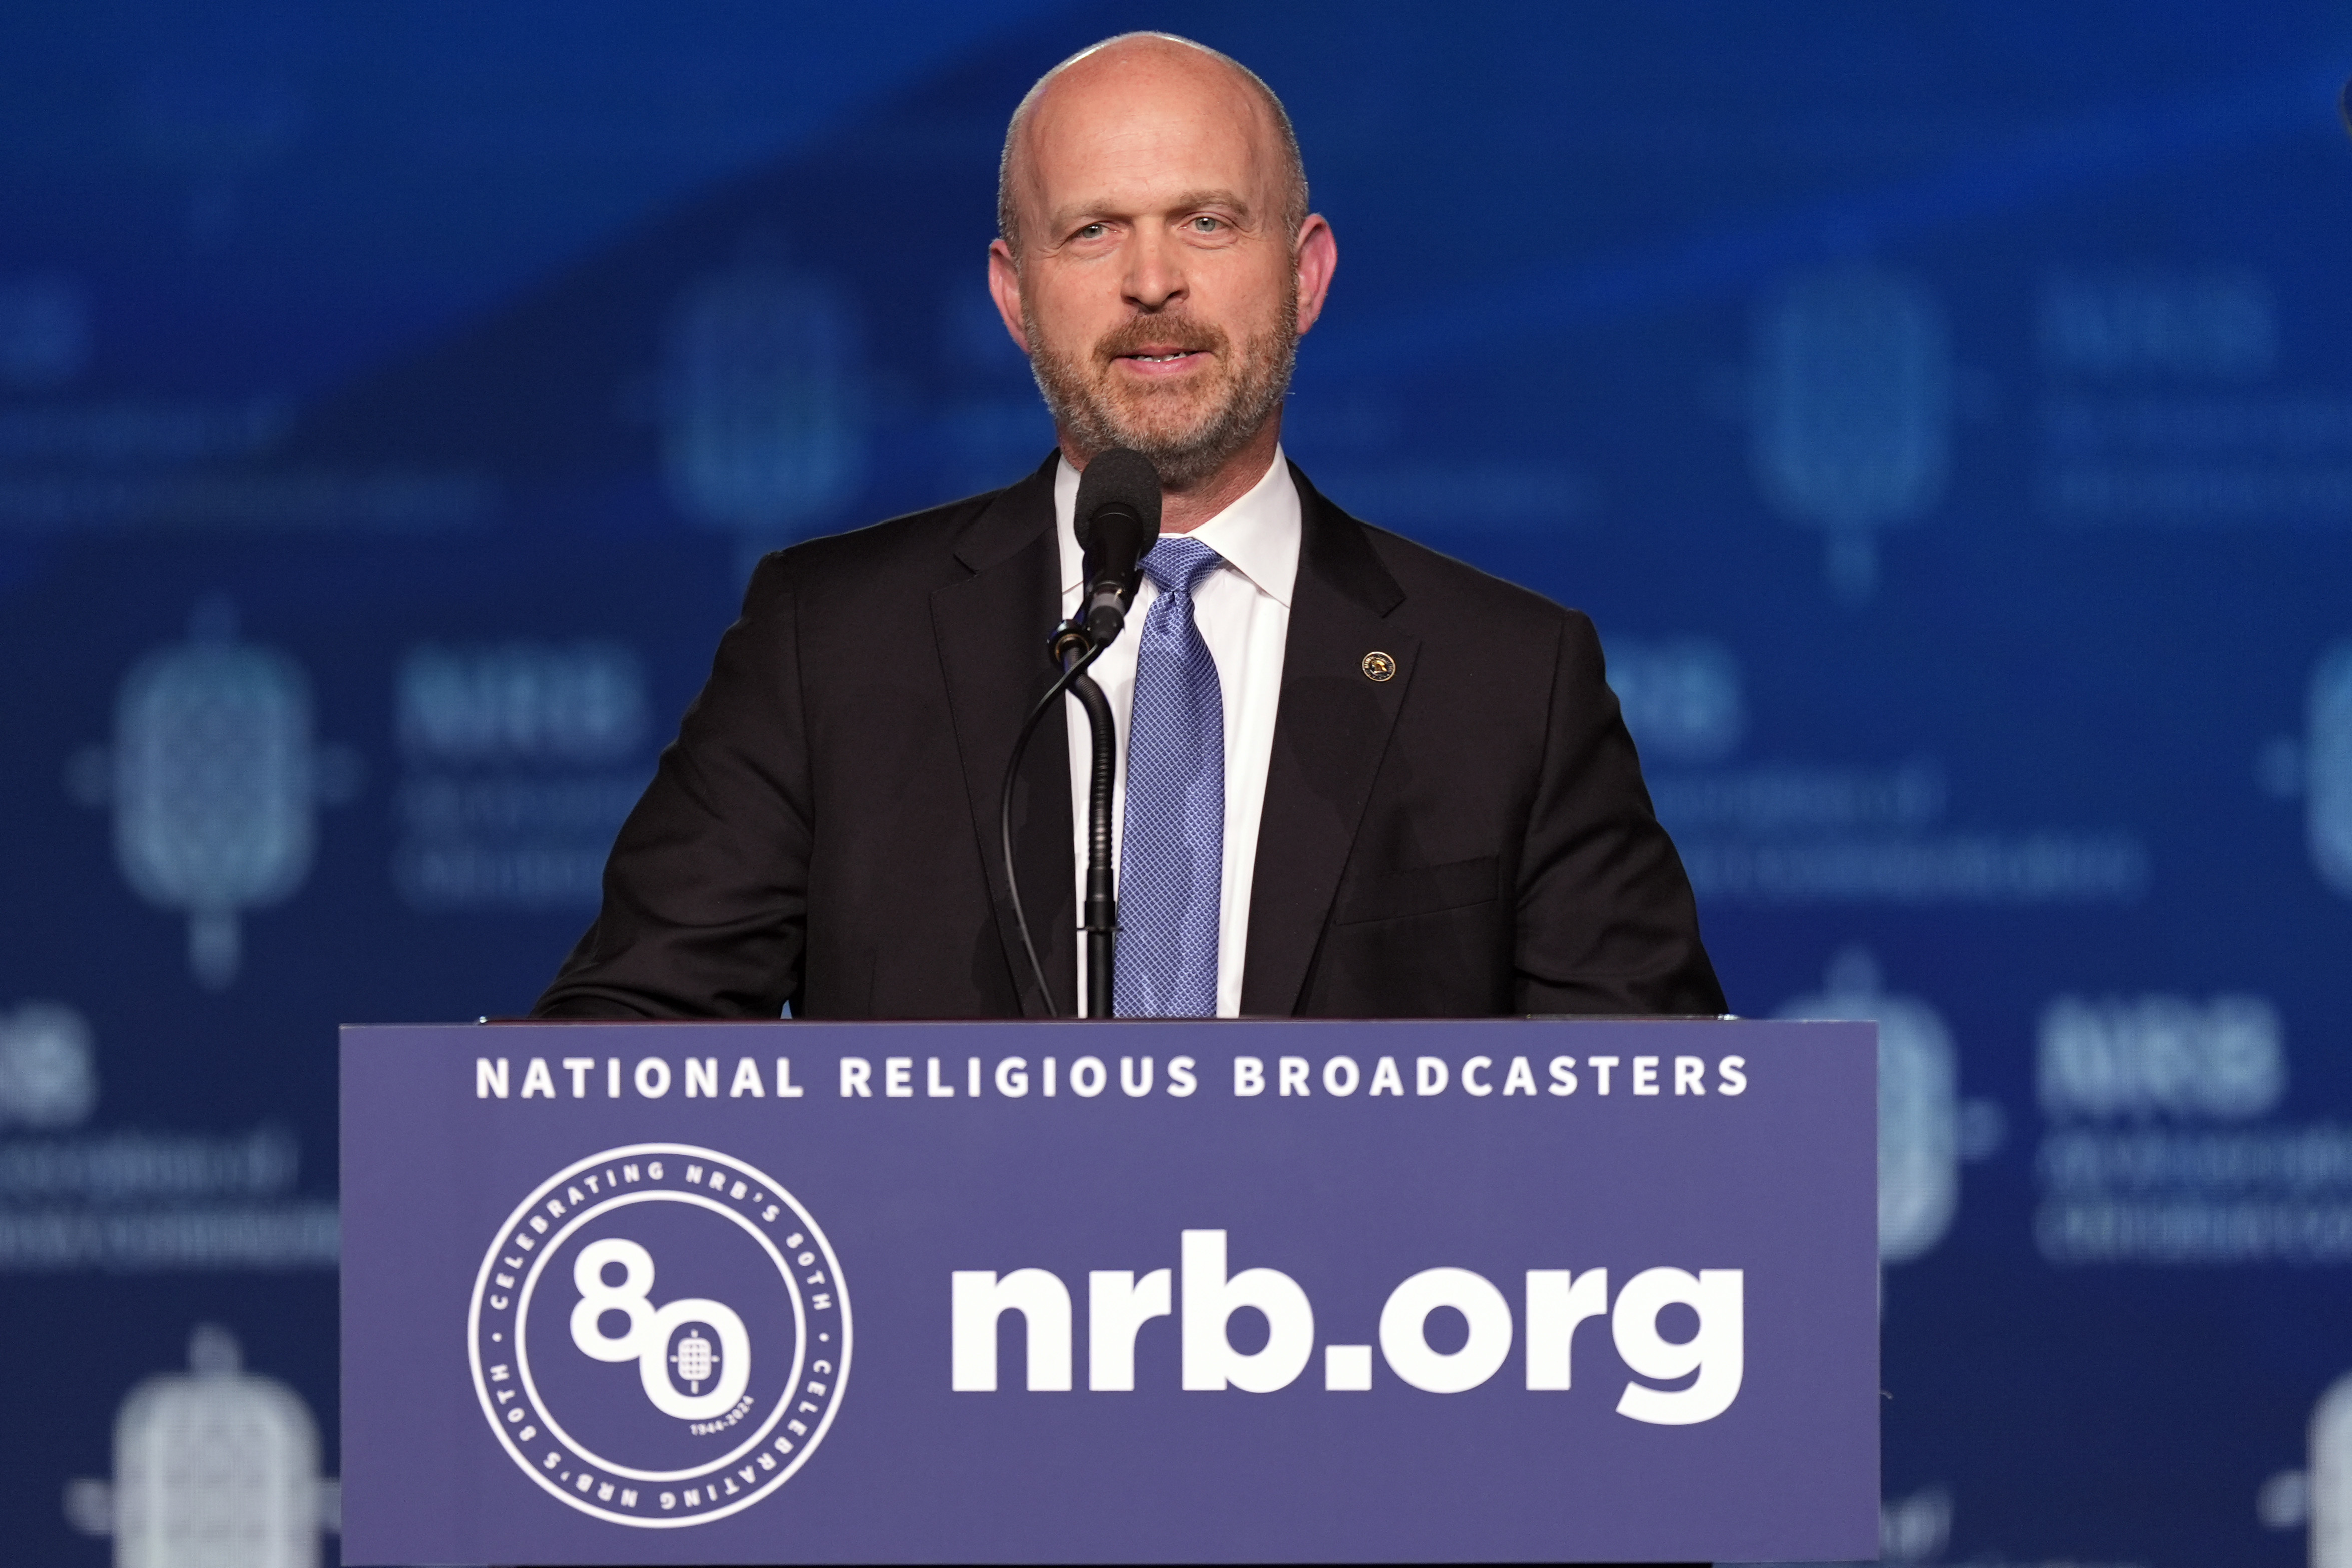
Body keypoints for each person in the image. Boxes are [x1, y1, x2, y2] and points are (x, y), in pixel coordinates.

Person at [533, 32, 1723, 1022]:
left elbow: (1655, 1121)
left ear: (1304, 276)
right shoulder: (827, 642)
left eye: (1206, 222)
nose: (1151, 280)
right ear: (1013, 295)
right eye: (1092, 231)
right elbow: (629, 1041)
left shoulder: (1508, 681)